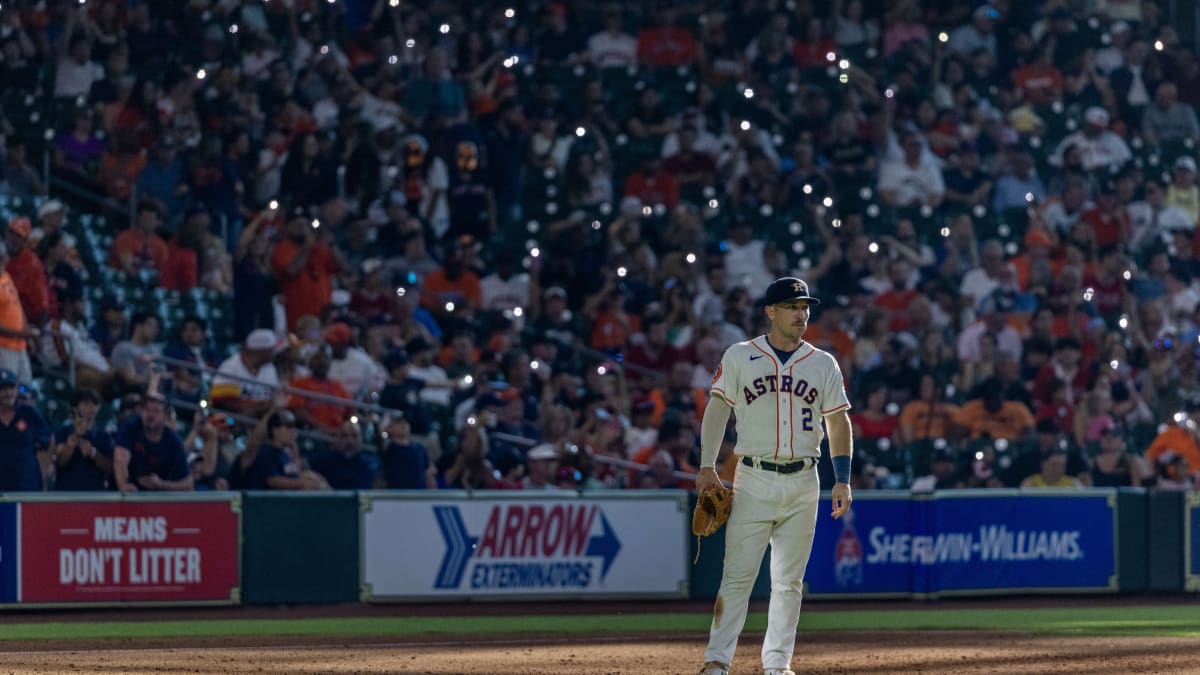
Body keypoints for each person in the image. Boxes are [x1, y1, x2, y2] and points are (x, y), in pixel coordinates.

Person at [696, 277, 853, 675]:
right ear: (771, 311)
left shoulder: (822, 363)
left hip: (805, 479)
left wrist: (843, 477)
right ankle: (717, 661)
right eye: (792, 306)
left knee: (789, 583)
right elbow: (718, 409)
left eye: (805, 306)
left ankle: (778, 664)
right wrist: (706, 465)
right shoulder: (739, 355)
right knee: (737, 577)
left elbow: (837, 421)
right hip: (754, 477)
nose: (801, 313)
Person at [113, 393, 193, 493]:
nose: (150, 414)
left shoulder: (173, 441)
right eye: (146, 409)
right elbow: (120, 460)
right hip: (130, 496)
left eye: (156, 411)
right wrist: (124, 486)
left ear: (165, 416)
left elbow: (188, 484)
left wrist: (161, 484)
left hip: (159, 500)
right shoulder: (130, 427)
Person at [244, 409, 327, 490]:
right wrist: (302, 483)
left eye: (294, 427)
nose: (293, 431)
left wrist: (294, 451)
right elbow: (273, 481)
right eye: (288, 427)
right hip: (267, 501)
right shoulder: (267, 452)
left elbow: (295, 473)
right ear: (275, 430)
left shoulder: (285, 453)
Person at [51, 387, 114, 491]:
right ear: (75, 408)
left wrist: (93, 453)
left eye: (94, 403)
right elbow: (60, 461)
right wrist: (74, 438)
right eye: (86, 404)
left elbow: (110, 468)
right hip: (66, 495)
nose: (91, 408)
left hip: (95, 496)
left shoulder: (104, 436)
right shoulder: (62, 432)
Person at [0, 368, 52, 491]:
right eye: (2, 389)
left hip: (27, 489)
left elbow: (48, 442)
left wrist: (43, 476)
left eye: (11, 388)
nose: (8, 393)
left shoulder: (29, 413)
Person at [0, 242, 37, 385]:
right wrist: (22, 334)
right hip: (4, 348)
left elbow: (18, 307)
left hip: (20, 346)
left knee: (24, 387)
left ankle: (23, 403)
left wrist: (26, 333)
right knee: (7, 388)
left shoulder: (6, 276)